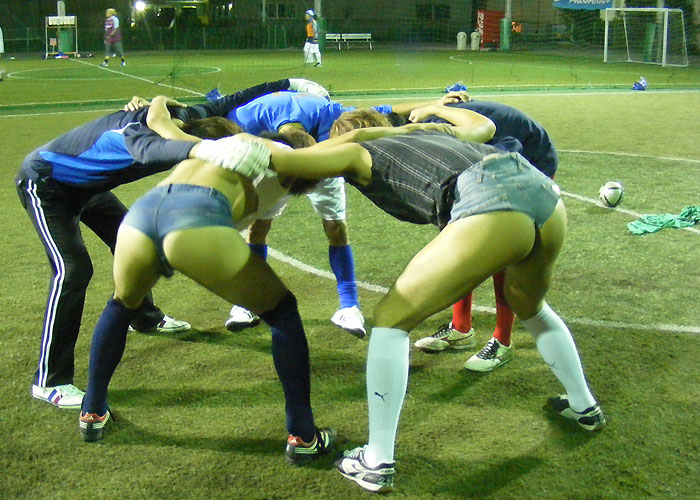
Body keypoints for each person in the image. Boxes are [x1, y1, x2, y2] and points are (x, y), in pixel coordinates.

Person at [292, 115, 604, 492]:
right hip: (541, 191)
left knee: (391, 316)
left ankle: (376, 461)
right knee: (529, 304)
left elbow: (292, 162)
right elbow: (485, 127)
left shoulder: (360, 150)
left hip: (491, 197)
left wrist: (231, 147)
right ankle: (584, 406)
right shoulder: (432, 133)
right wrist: (430, 109)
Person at [77, 110, 374, 462]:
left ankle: (92, 411)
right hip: (194, 217)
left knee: (121, 304)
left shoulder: (218, 146)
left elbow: (160, 121)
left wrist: (157, 102)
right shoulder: (275, 153)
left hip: (141, 215)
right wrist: (412, 129)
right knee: (283, 313)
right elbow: (344, 146)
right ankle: (303, 435)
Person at [15, 80, 288, 410]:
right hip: (46, 184)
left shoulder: (185, 117)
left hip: (89, 188)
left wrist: (289, 84)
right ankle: (49, 380)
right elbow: (155, 150)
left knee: (138, 242)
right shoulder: (142, 136)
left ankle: (145, 318)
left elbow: (230, 100)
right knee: (72, 271)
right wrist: (209, 151)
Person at [221, 90, 464, 337]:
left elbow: (385, 111)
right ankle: (248, 302)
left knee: (335, 227)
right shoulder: (249, 121)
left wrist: (434, 103)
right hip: (277, 165)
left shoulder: (332, 114)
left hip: (323, 158)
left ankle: (349, 307)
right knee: (257, 227)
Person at [406, 98, 559, 372]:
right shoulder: (421, 131)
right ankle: (461, 328)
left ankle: (502, 341)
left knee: (501, 252)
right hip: (484, 162)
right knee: (459, 245)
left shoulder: (454, 134)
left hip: (532, 159)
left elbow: (507, 153)